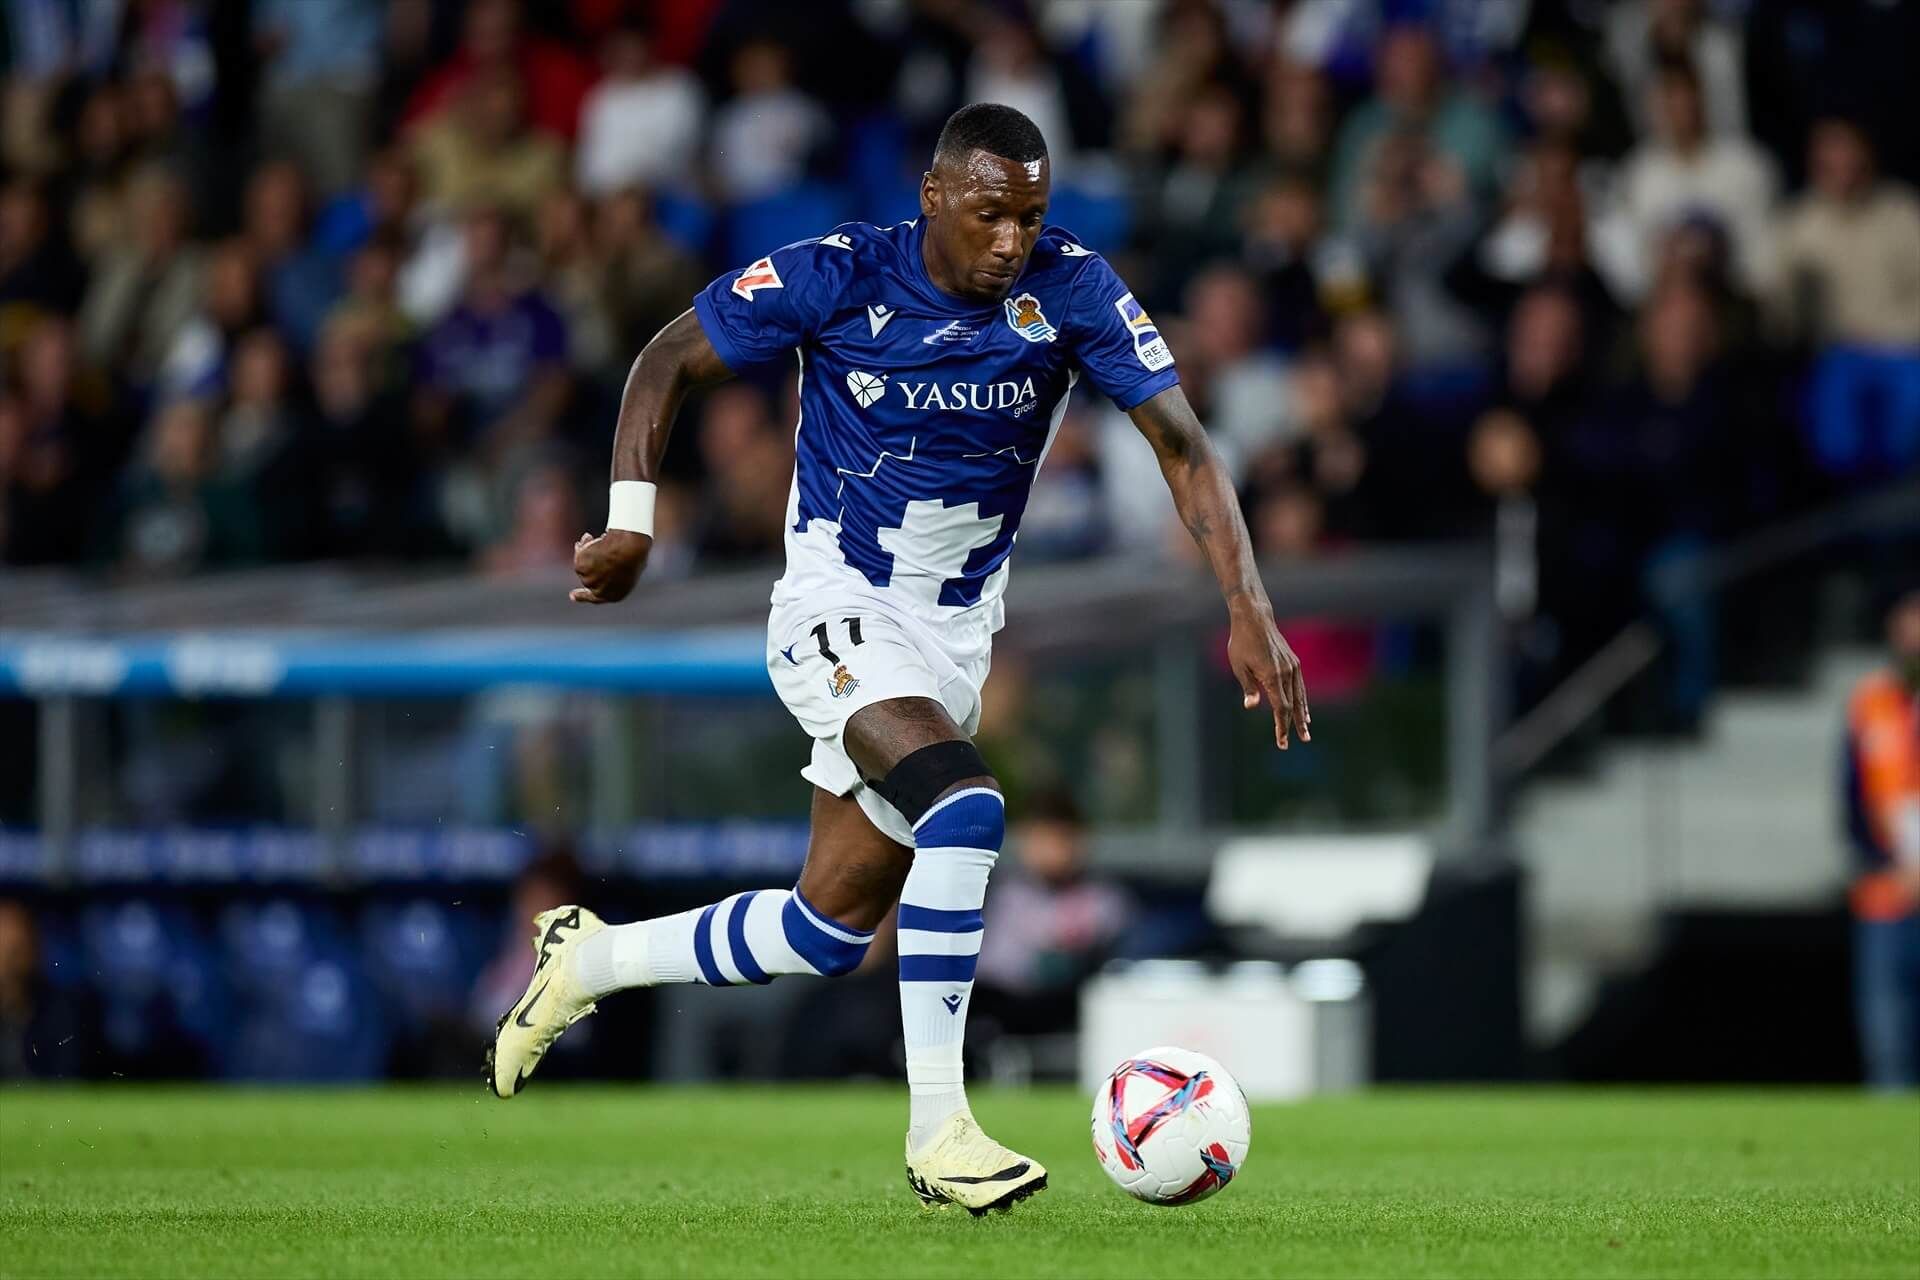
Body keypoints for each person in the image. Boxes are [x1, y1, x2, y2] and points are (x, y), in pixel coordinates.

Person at [487, 104, 1310, 1214]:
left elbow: (1183, 444)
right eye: (990, 213)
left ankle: (586, 959)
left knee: (824, 928)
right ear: (932, 196)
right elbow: (667, 356)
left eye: (1030, 214)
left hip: (953, 638)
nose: (1013, 238)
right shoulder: (839, 274)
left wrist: (1248, 601)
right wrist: (632, 518)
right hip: (835, 605)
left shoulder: (1072, 287)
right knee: (964, 808)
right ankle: (942, 1127)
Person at [1843, 589, 1920, 1090]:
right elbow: (1850, 801)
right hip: (1887, 895)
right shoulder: (1870, 703)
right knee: (1888, 1048)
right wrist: (1885, 862)